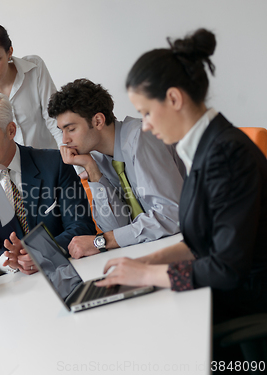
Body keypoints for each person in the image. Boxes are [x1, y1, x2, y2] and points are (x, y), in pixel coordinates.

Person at [97, 28, 267, 329]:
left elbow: (226, 268)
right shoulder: (203, 149)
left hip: (247, 300)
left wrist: (145, 276)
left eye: (147, 112)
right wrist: (145, 263)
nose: (145, 126)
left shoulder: (225, 155)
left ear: (174, 98)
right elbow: (198, 241)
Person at [0, 94, 96, 276]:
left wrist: (43, 252)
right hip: (17, 285)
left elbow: (81, 226)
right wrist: (9, 261)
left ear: (10, 131)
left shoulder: (55, 164)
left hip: (70, 271)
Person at [47, 79, 185, 258]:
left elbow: (171, 215)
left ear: (98, 121)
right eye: (61, 131)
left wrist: (101, 242)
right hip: (158, 247)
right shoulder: (97, 158)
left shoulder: (142, 137)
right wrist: (92, 170)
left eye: (71, 129)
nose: (64, 140)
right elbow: (117, 228)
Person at [0, 22, 62, 168]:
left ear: (9, 52)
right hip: (12, 174)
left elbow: (55, 120)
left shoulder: (34, 68)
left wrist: (75, 166)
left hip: (51, 165)